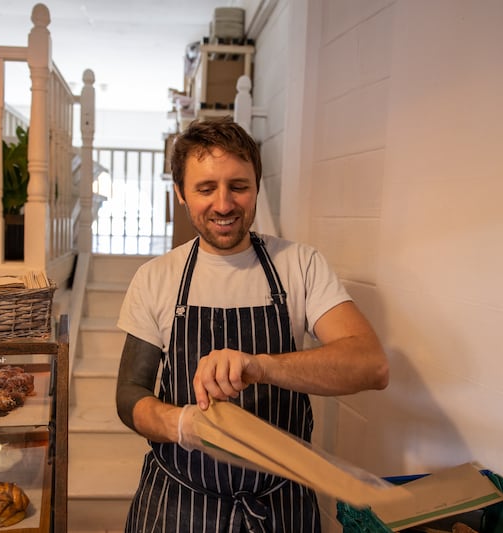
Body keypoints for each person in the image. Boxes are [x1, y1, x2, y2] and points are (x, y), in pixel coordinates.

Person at [115, 116, 389, 532]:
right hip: (178, 505)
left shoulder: (300, 266)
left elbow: (372, 365)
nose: (224, 204)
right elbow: (128, 393)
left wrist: (261, 366)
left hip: (281, 509)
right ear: (181, 195)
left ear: (257, 186)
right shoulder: (156, 278)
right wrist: (181, 424)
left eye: (238, 186)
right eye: (205, 189)